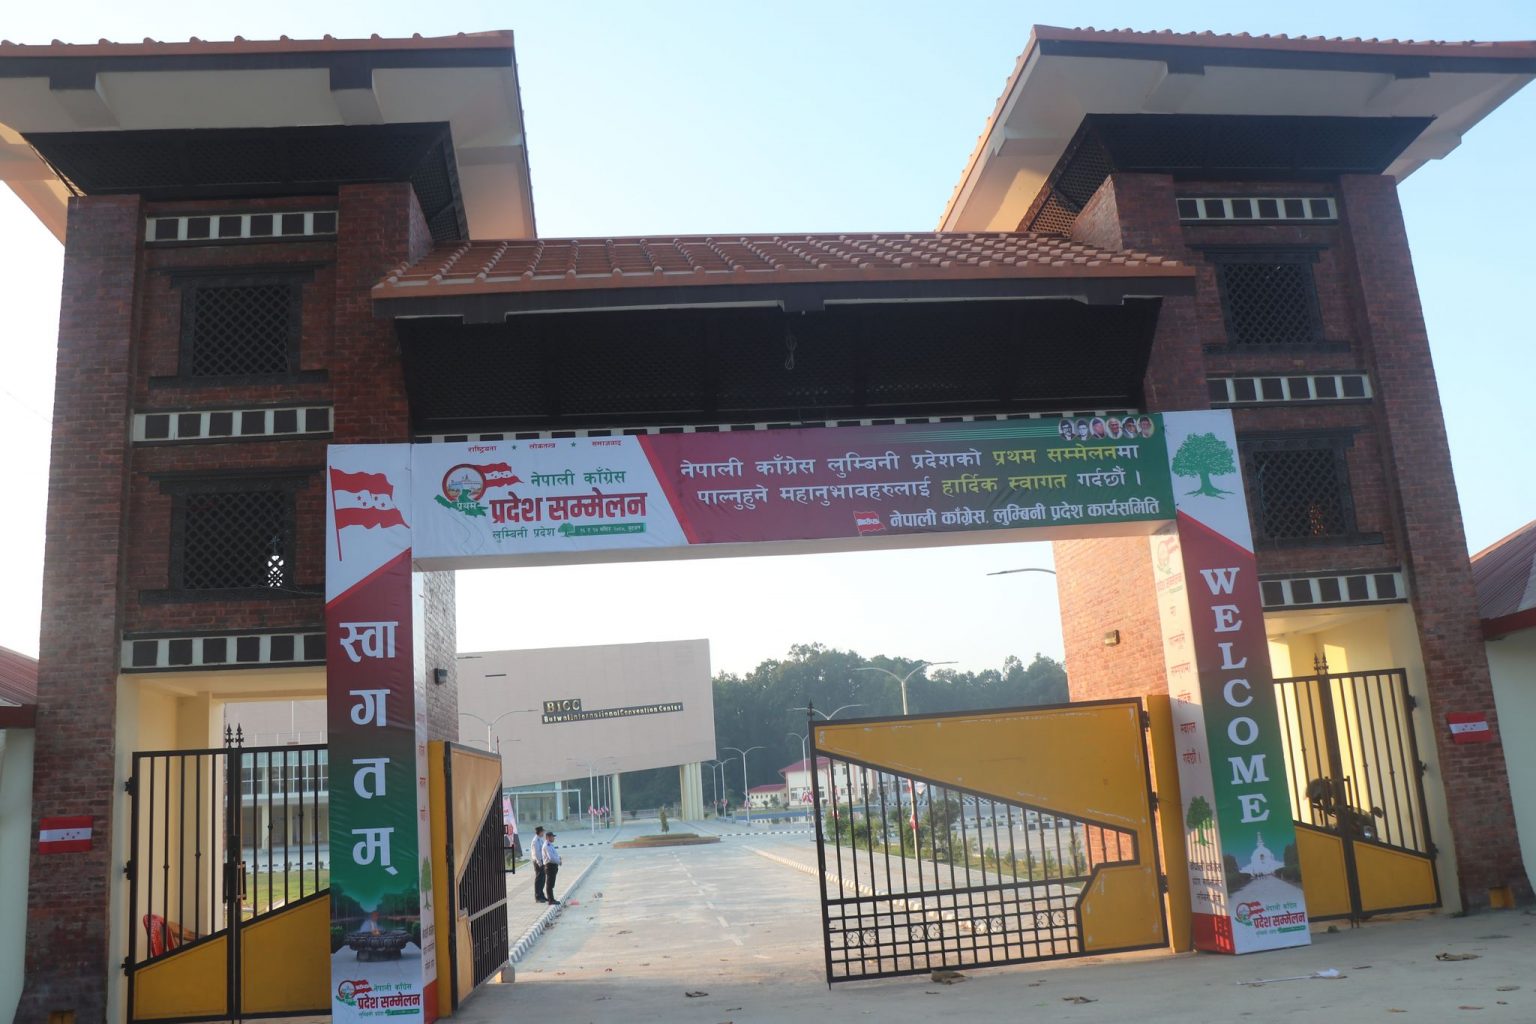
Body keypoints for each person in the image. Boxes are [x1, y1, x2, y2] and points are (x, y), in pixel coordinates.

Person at [541, 831, 562, 905]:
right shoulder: (547, 846)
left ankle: (552, 898)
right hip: (550, 866)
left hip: (552, 866)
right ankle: (550, 900)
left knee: (551, 884)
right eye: (552, 837)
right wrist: (559, 861)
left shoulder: (550, 845)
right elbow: (551, 857)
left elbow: (554, 855)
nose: (554, 838)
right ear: (548, 837)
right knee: (549, 884)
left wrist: (558, 858)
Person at [531, 825, 547, 903]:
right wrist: (540, 863)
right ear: (540, 832)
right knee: (539, 879)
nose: (543, 833)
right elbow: (536, 853)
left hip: (542, 861)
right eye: (543, 831)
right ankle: (538, 897)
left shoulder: (540, 839)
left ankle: (542, 895)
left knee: (543, 879)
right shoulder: (535, 841)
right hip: (538, 862)